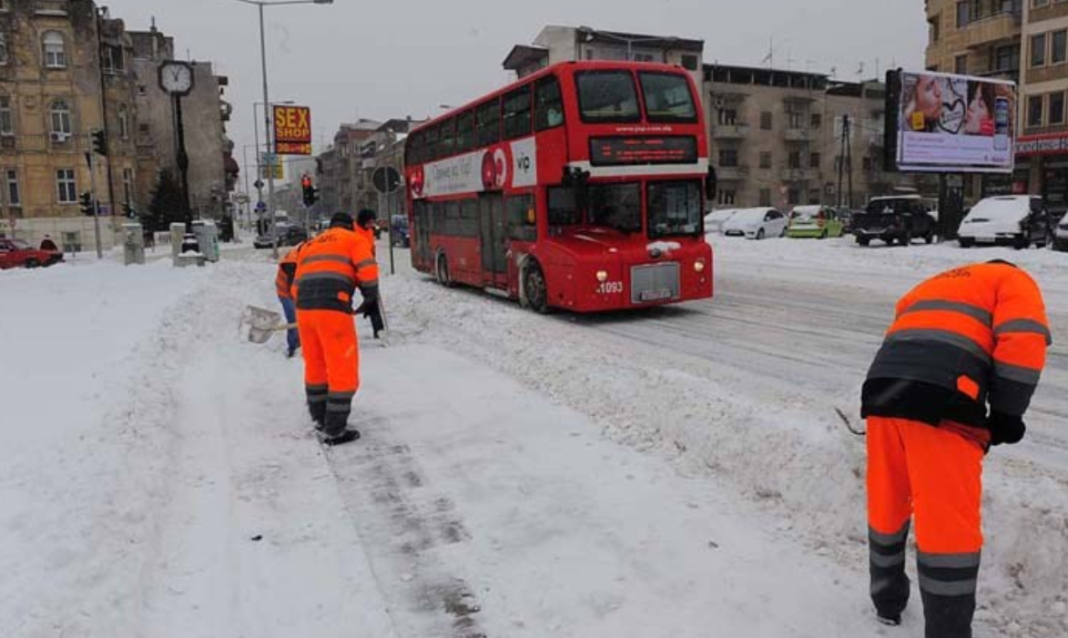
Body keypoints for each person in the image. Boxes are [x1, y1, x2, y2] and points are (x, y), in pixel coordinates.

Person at [861, 261, 1050, 637]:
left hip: (882, 390)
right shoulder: (1013, 279)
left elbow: (905, 328)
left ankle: (887, 601)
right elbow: (1023, 337)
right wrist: (1007, 414)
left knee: (887, 500)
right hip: (942, 399)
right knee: (946, 526)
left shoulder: (933, 283)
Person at [292, 212, 379, 446]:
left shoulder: (310, 244)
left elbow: (295, 285)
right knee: (342, 365)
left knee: (315, 363)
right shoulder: (353, 239)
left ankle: (319, 418)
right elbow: (367, 270)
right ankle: (335, 429)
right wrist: (370, 298)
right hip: (332, 308)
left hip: (303, 310)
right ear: (350, 226)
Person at [355, 208, 386, 339]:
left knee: (372, 299)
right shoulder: (353, 230)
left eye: (373, 222)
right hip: (353, 270)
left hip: (366, 270)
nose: (371, 225)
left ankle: (378, 330)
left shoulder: (370, 232)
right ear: (362, 221)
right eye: (369, 222)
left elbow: (371, 249)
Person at [275, 245, 302, 358]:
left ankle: (302, 343)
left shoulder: (304, 257)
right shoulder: (292, 263)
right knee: (294, 319)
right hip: (286, 293)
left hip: (295, 290)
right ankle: (293, 347)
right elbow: (292, 288)